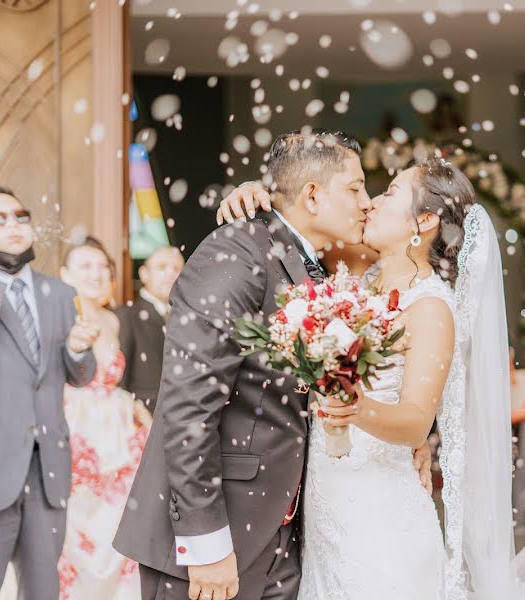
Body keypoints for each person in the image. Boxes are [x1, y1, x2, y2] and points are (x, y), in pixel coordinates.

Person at [215, 149, 524, 599]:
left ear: (425, 222)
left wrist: (354, 409)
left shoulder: (431, 307)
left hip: (381, 524)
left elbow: (417, 419)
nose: (372, 202)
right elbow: (300, 220)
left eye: (390, 192)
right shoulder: (358, 284)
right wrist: (258, 197)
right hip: (327, 515)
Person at [114, 130, 376, 600]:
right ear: (313, 195)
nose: (367, 202)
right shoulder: (234, 253)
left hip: (278, 530)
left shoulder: (302, 261)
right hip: (216, 534)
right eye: (355, 188)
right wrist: (206, 543)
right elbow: (187, 406)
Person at [0, 187, 99, 600]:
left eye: (21, 217)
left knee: (43, 590)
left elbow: (79, 375)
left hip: (47, 470)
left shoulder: (61, 294)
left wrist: (78, 350)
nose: (14, 224)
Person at [58, 237, 149, 598]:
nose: (96, 274)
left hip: (119, 436)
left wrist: (136, 407)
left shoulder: (114, 320)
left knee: (118, 532)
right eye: (85, 266)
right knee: (75, 531)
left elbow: (112, 385)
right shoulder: (60, 319)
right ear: (64, 275)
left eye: (102, 267)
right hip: (75, 430)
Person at [116, 245, 184, 416]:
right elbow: (120, 382)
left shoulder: (188, 320)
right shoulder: (126, 316)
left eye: (177, 269)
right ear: (144, 274)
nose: (170, 274)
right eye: (162, 267)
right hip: (143, 421)